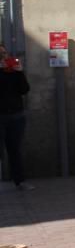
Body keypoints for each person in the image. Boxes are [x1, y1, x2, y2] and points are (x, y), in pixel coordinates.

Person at [0, 44, 30, 191]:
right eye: (1, 54)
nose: (4, 56)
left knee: (14, 150)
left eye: (4, 53)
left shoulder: (13, 71)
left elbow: (24, 89)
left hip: (16, 115)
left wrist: (19, 72)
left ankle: (20, 182)